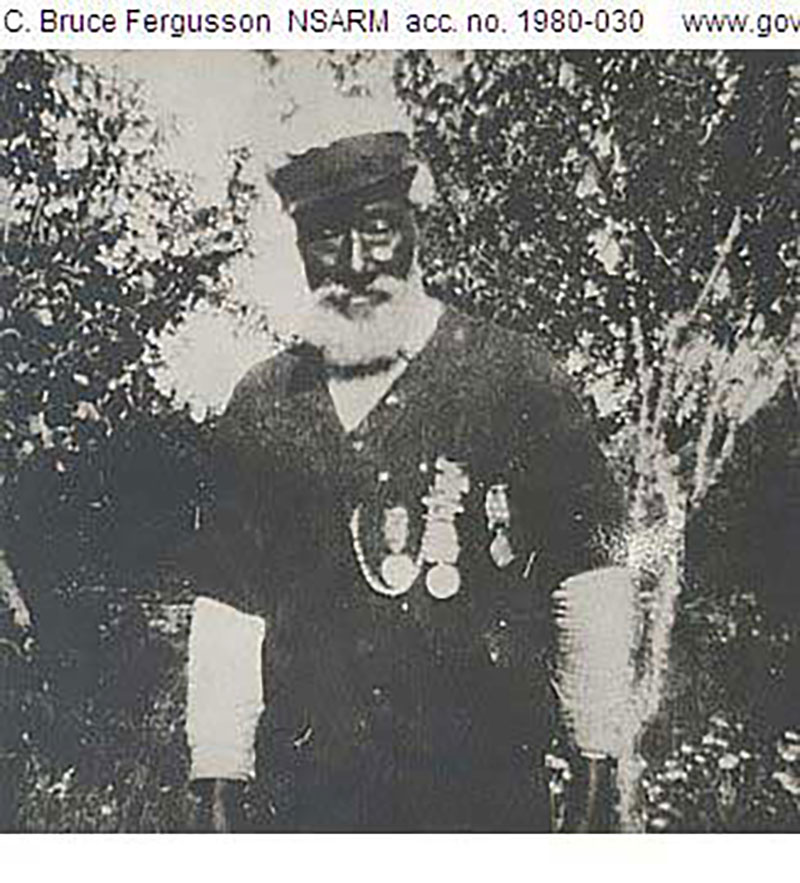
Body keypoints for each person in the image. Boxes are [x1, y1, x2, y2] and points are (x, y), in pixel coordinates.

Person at [185, 131, 624, 832]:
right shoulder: (266, 403)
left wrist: (597, 769)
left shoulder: (515, 377)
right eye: (327, 236)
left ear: (418, 222)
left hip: (487, 805)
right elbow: (229, 613)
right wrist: (216, 787)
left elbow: (589, 579)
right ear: (298, 244)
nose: (357, 263)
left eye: (379, 227)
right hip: (310, 810)